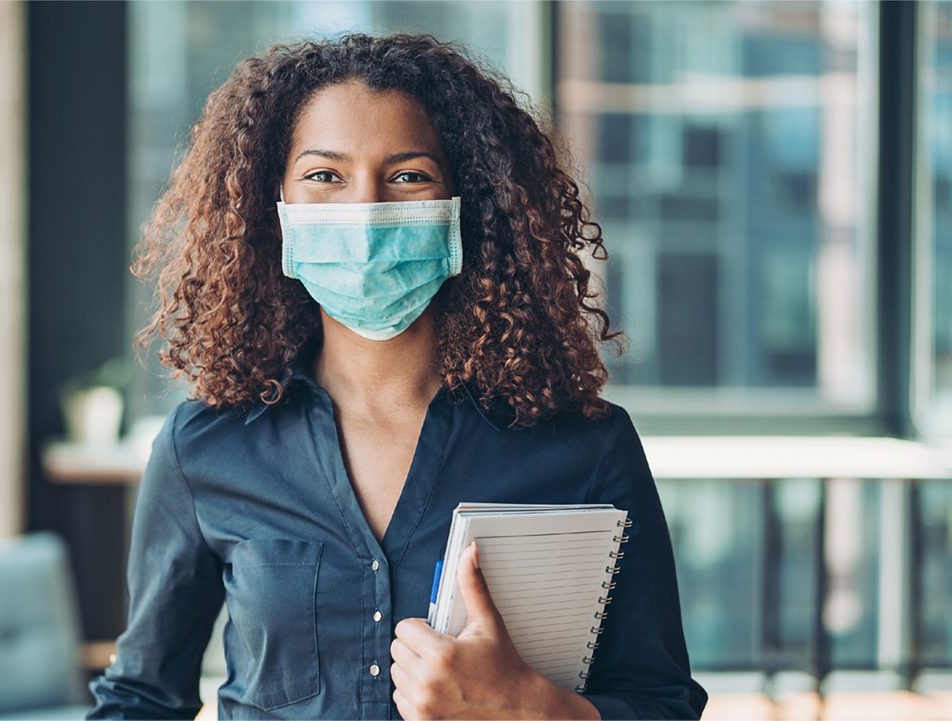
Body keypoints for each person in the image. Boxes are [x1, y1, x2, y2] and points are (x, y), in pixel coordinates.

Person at [89, 33, 707, 720]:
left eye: (409, 175)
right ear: (275, 207)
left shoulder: (586, 446)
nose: (366, 211)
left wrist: (533, 708)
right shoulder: (203, 446)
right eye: (325, 176)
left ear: (466, 202)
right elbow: (141, 698)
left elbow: (663, 702)